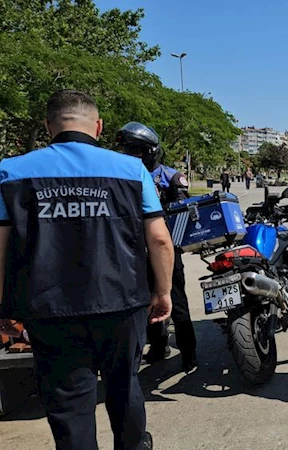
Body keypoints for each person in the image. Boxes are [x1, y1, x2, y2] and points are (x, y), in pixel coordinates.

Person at [0, 89, 174, 450]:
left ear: (48, 126)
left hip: (49, 309)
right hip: (121, 302)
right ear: (98, 126)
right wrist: (163, 292)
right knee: (124, 387)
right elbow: (159, 239)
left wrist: (4, 306)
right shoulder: (132, 170)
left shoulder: (10, 172)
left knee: (68, 404)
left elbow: (0, 247)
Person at [116, 122, 198, 373]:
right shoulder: (120, 175)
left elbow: (183, 212)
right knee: (142, 303)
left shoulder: (170, 176)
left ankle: (189, 352)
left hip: (164, 250)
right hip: (132, 251)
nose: (130, 155)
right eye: (127, 150)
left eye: (135, 150)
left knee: (177, 301)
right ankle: (158, 347)